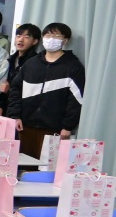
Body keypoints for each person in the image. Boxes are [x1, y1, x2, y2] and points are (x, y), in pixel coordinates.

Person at [8, 22, 85, 158]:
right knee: (23, 166)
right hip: (26, 126)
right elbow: (15, 89)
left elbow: (76, 99)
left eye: (57, 36)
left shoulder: (73, 66)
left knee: (46, 170)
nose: (51, 39)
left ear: (65, 40)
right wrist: (15, 115)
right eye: (48, 35)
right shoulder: (31, 63)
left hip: (54, 129)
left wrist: (68, 126)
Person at [0, 24, 40, 115]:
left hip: (22, 111)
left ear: (35, 41)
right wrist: (0, 105)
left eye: (27, 37)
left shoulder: (36, 62)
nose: (21, 39)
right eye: (18, 36)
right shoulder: (10, 59)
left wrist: (9, 89)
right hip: (6, 107)